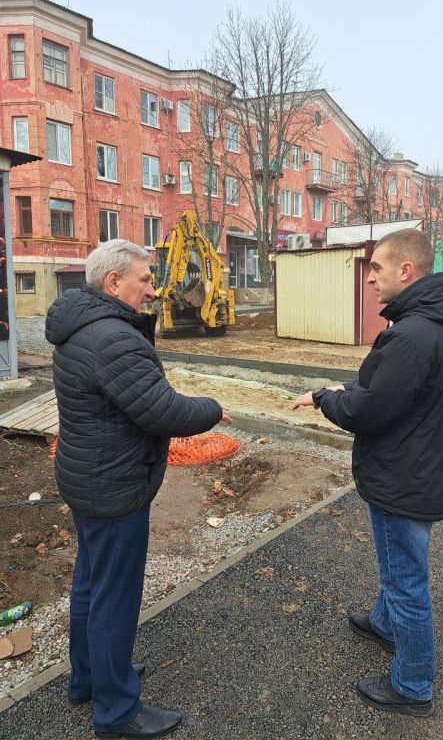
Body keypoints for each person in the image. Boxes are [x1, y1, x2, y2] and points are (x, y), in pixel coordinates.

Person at [45, 239, 231, 739]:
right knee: (115, 596)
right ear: (113, 283)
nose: (154, 289)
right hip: (114, 486)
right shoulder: (113, 339)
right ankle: (116, 709)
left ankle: (90, 679)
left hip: (87, 477)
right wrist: (212, 408)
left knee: (91, 582)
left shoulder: (82, 327)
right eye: (145, 279)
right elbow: (162, 410)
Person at [292, 228, 443, 718]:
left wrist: (324, 399)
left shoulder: (413, 333)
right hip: (421, 467)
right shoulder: (432, 324)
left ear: (407, 270)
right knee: (396, 565)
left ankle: (413, 683)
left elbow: (369, 409)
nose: (370, 278)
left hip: (404, 477)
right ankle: (385, 624)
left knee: (405, 578)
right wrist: (340, 387)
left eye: (376, 268)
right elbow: (389, 389)